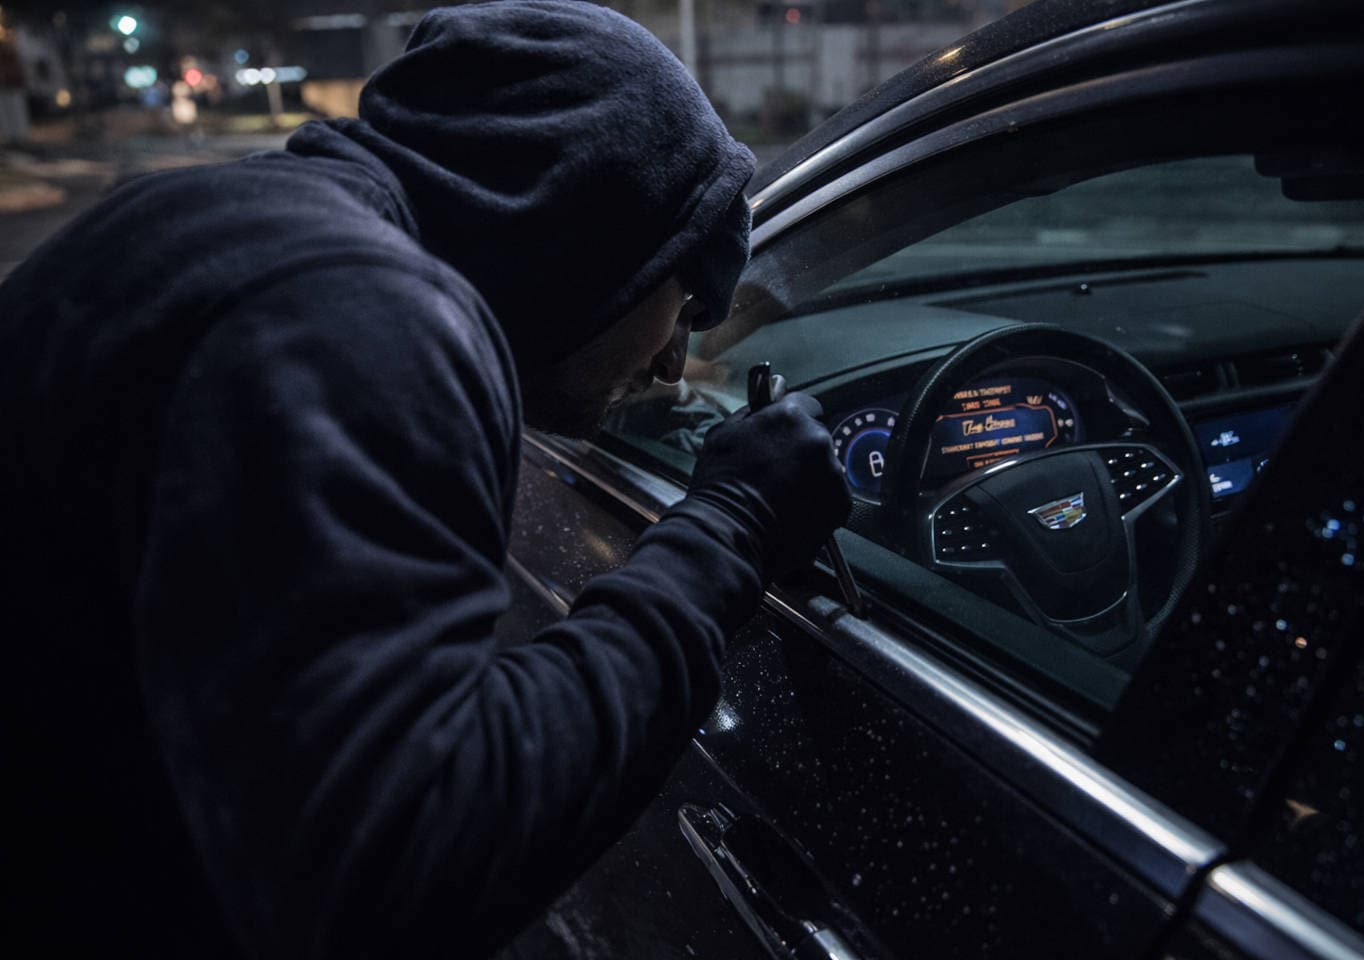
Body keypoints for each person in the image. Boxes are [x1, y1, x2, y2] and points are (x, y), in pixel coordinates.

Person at [0, 3, 849, 957]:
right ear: (598, 234)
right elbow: (395, 867)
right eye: (686, 300)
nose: (670, 364)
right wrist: (730, 525)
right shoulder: (356, 323)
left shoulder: (220, 229)